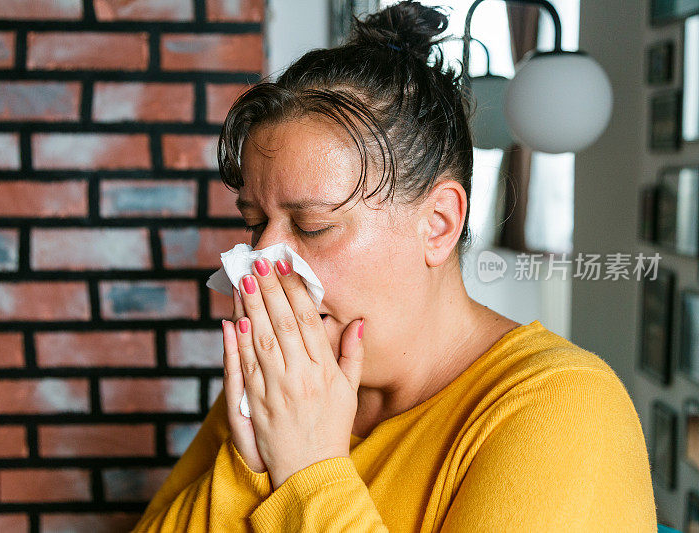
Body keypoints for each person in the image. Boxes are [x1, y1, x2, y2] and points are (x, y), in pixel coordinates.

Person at [132, 1, 657, 531]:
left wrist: (307, 469)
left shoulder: (563, 411)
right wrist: (250, 464)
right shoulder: (284, 380)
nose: (265, 265)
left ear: (438, 224)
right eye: (254, 223)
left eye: (313, 226)